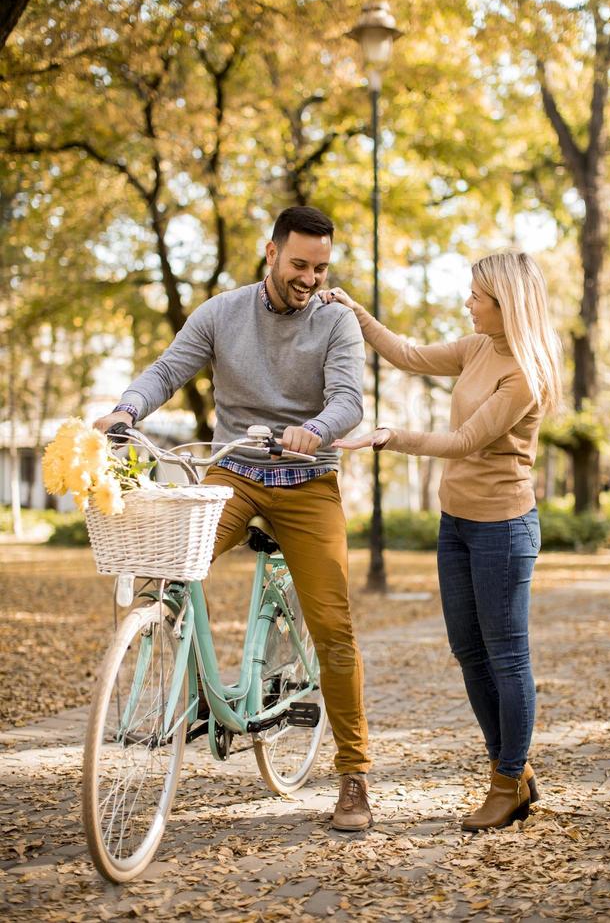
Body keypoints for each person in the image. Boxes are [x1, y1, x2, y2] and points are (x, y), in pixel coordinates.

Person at [94, 206, 373, 832]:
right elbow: (168, 370)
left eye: (321, 267)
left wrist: (315, 430)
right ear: (269, 253)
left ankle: (354, 774)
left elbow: (348, 400)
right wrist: (126, 409)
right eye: (299, 263)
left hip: (307, 481)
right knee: (169, 564)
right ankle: (185, 674)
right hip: (235, 473)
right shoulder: (222, 312)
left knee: (332, 625)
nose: (309, 277)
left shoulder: (336, 320)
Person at [322, 251, 562, 832]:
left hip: (503, 527)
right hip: (454, 521)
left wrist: (389, 436)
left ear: (507, 305)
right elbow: (407, 354)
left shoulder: (524, 373)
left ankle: (506, 780)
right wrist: (356, 312)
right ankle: (515, 769)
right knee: (467, 649)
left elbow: (464, 441)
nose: (467, 302)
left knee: (507, 657)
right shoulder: (478, 346)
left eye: (477, 295)